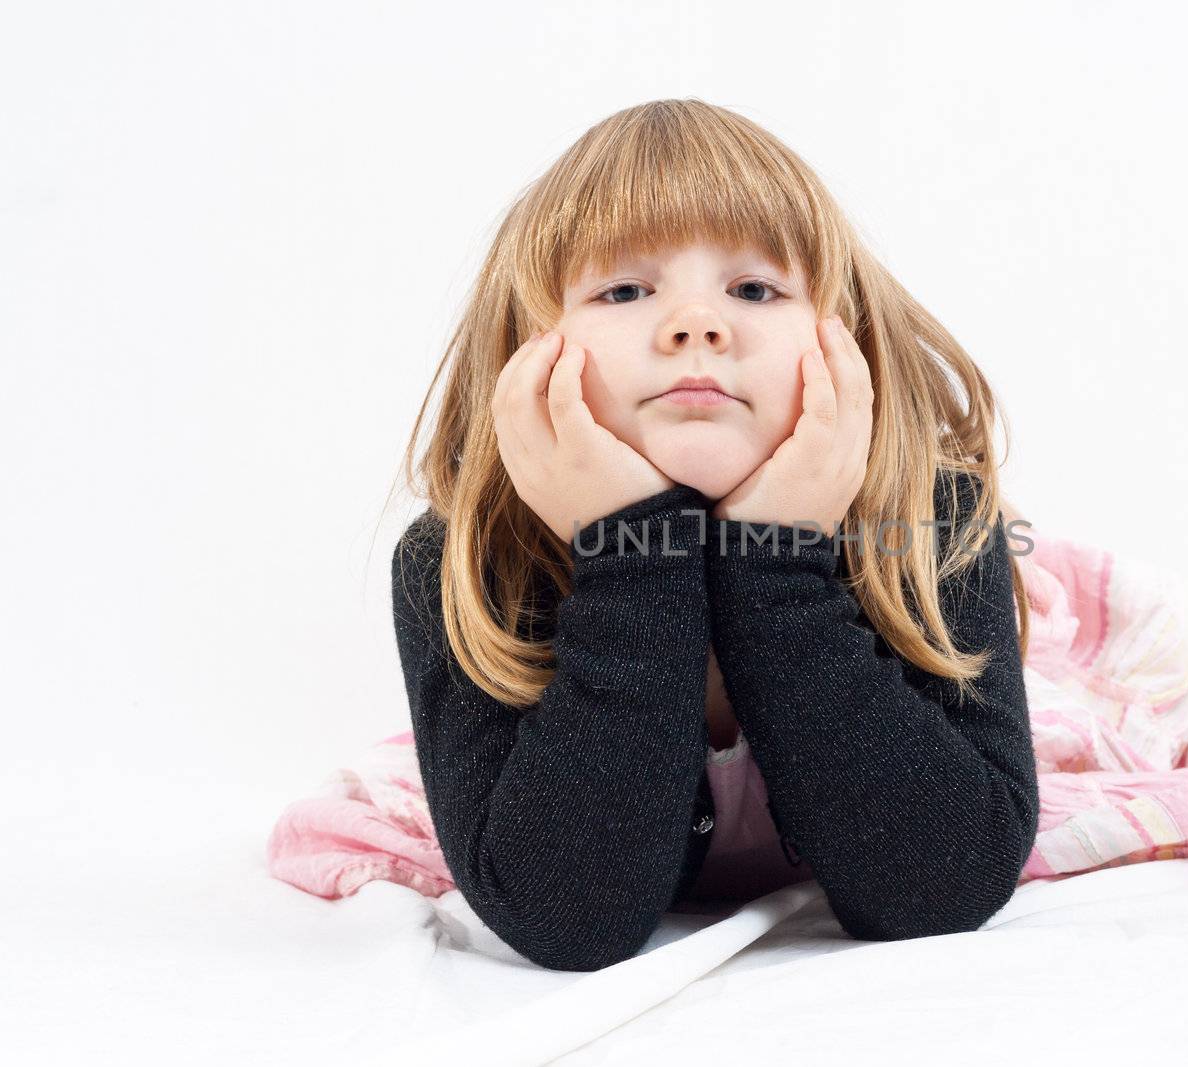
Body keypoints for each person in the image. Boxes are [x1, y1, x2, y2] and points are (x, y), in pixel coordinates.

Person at [389, 98, 1039, 973]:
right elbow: (567, 920)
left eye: (754, 289)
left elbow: (941, 889)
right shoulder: (463, 564)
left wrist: (776, 565)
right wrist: (631, 556)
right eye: (624, 290)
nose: (697, 326)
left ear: (843, 340)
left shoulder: (936, 523)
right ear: (525, 350)